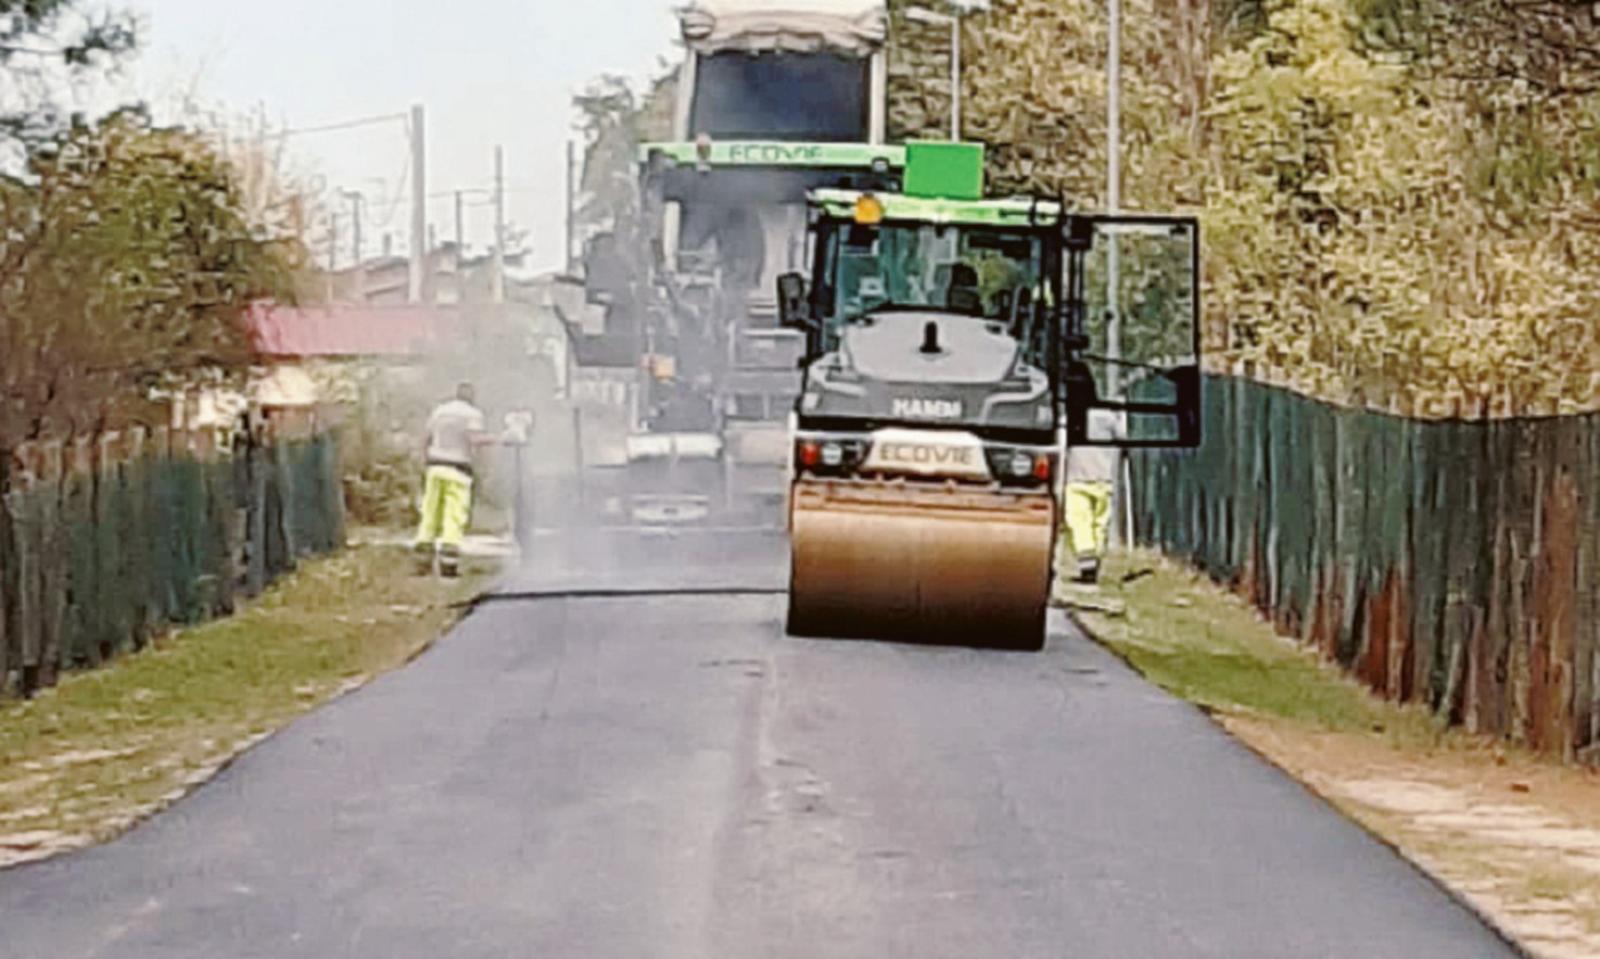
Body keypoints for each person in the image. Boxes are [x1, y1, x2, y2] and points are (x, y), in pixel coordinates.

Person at [414, 383, 492, 578]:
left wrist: (423, 462)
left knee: (430, 513)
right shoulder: (472, 414)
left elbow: (425, 438)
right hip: (457, 470)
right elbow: (474, 440)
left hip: (435, 466)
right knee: (453, 516)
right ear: (471, 397)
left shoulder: (439, 411)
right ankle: (448, 565)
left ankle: (422, 561)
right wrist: (495, 440)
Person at [1064, 407, 1127, 584]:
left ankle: (1087, 564)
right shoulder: (1109, 417)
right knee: (1099, 524)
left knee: (1079, 522)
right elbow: (1124, 437)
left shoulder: (1072, 416)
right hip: (1103, 478)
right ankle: (1093, 561)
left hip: (1077, 478)